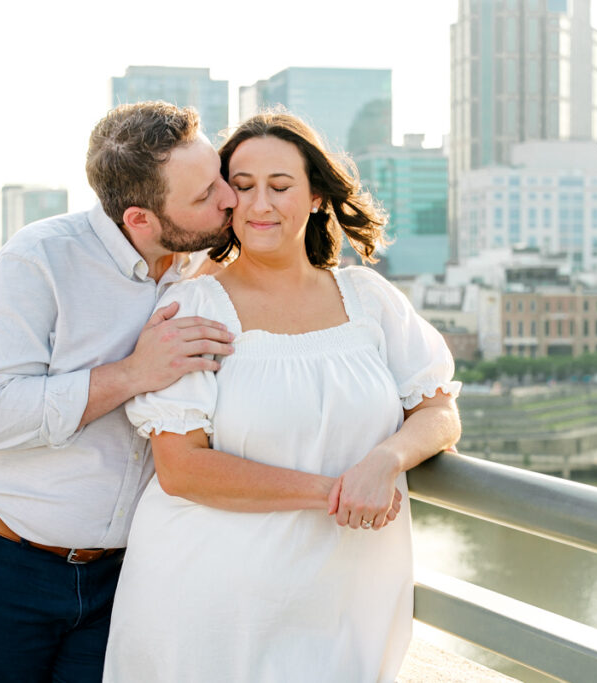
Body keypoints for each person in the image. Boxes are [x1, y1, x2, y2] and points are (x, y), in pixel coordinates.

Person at [103, 112, 463, 683]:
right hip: (214, 602)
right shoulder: (197, 309)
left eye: (280, 186)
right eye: (241, 187)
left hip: (344, 598)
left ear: (317, 196)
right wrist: (335, 493)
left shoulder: (369, 299)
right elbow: (181, 468)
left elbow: (439, 409)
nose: (259, 205)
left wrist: (384, 461)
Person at [0, 101, 243, 683]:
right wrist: (133, 372)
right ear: (140, 218)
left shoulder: (205, 262)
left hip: (122, 575)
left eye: (219, 176)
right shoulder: (37, 259)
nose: (228, 198)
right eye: (204, 196)